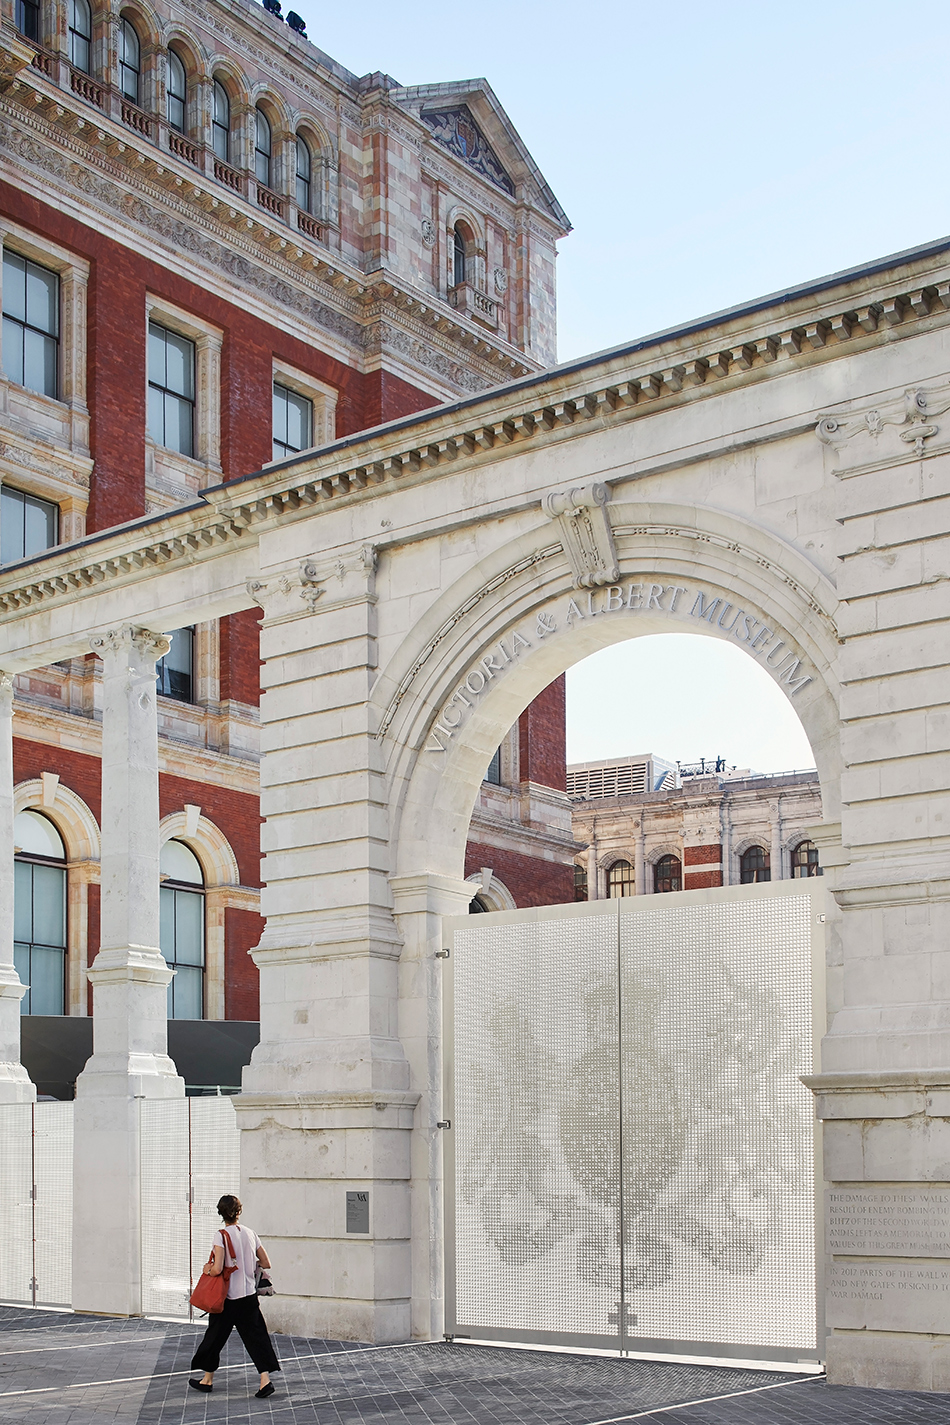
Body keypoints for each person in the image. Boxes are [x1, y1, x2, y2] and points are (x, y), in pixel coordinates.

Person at [188, 1194, 280, 1399]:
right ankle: (265, 1380)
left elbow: (218, 1268)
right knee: (256, 1338)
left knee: (214, 1338)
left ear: (221, 1213)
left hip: (227, 1299)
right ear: (239, 1212)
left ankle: (207, 1379)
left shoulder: (220, 1235)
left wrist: (207, 1269)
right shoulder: (250, 1233)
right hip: (248, 1297)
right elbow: (266, 1263)